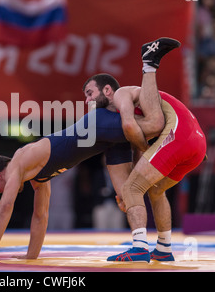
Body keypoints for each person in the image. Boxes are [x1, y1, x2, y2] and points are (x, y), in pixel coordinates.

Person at [0, 38, 178, 260]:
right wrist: (30, 257)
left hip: (94, 128)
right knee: (127, 195)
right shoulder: (37, 177)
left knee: (154, 125)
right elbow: (40, 216)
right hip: (104, 143)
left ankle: (148, 63)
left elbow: (6, 205)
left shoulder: (19, 160)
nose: (1, 192)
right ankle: (142, 247)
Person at [88, 38, 207, 262]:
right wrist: (141, 155)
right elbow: (141, 145)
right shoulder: (141, 101)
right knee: (155, 190)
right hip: (197, 143)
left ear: (107, 90)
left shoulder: (122, 94)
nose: (87, 100)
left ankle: (140, 247)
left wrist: (140, 158)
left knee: (132, 187)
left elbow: (131, 126)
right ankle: (163, 248)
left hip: (179, 135)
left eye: (89, 93)